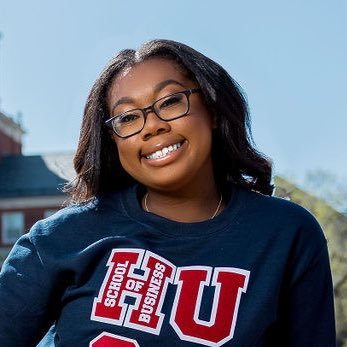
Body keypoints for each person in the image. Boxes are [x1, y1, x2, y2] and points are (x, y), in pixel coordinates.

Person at [0, 39, 336, 346]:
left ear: (213, 111)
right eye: (128, 118)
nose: (153, 125)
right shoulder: (60, 238)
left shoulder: (286, 233)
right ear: (114, 140)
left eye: (171, 101)